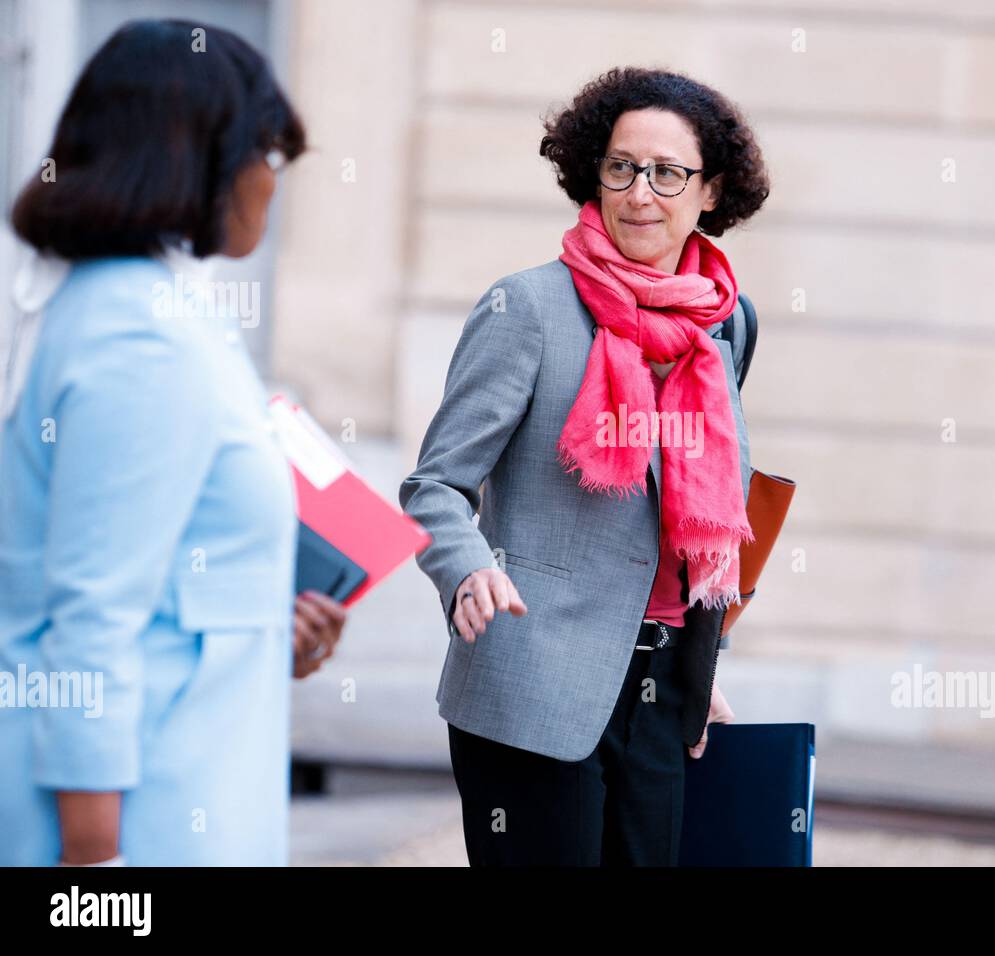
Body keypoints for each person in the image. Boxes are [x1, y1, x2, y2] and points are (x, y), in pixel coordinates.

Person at [400, 66, 769, 865]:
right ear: (591, 173)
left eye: (668, 173)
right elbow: (435, 485)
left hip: (665, 693)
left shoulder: (726, 326)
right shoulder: (526, 308)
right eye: (621, 167)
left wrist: (703, 667)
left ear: (711, 192)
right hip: (533, 678)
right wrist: (466, 571)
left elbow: (698, 516)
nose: (641, 193)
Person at [0, 19, 345, 867]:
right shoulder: (141, 337)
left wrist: (265, 624)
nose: (274, 181)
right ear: (205, 157)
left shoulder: (134, 311)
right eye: (268, 153)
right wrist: (94, 871)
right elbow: (89, 623)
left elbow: (150, 585)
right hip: (140, 837)